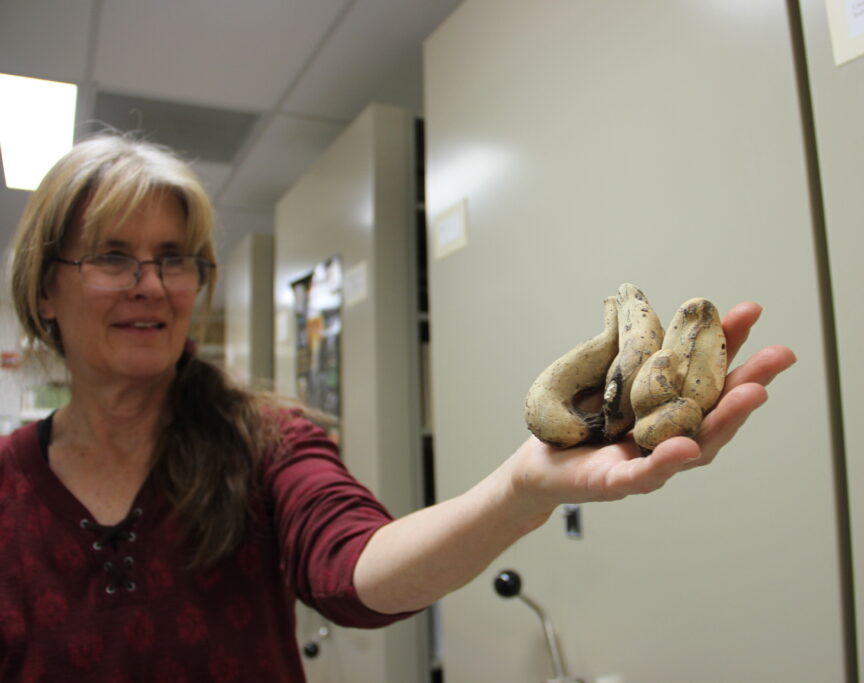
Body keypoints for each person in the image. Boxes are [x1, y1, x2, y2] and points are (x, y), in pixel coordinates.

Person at [0, 135, 795, 681]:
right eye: (113, 255)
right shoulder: (8, 488)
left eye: (173, 258)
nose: (150, 283)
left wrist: (521, 490)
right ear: (44, 286)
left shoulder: (268, 440)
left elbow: (353, 567)